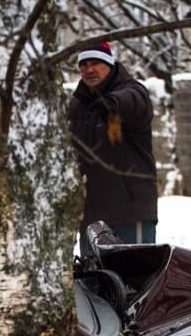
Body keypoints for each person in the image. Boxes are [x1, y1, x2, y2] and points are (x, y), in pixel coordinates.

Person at [67, 42, 158, 247]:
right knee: (95, 278)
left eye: (96, 63)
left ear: (109, 64)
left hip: (129, 213)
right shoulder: (77, 105)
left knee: (134, 276)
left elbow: (135, 102)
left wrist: (113, 104)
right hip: (91, 216)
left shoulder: (132, 91)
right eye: (84, 65)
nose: (89, 70)